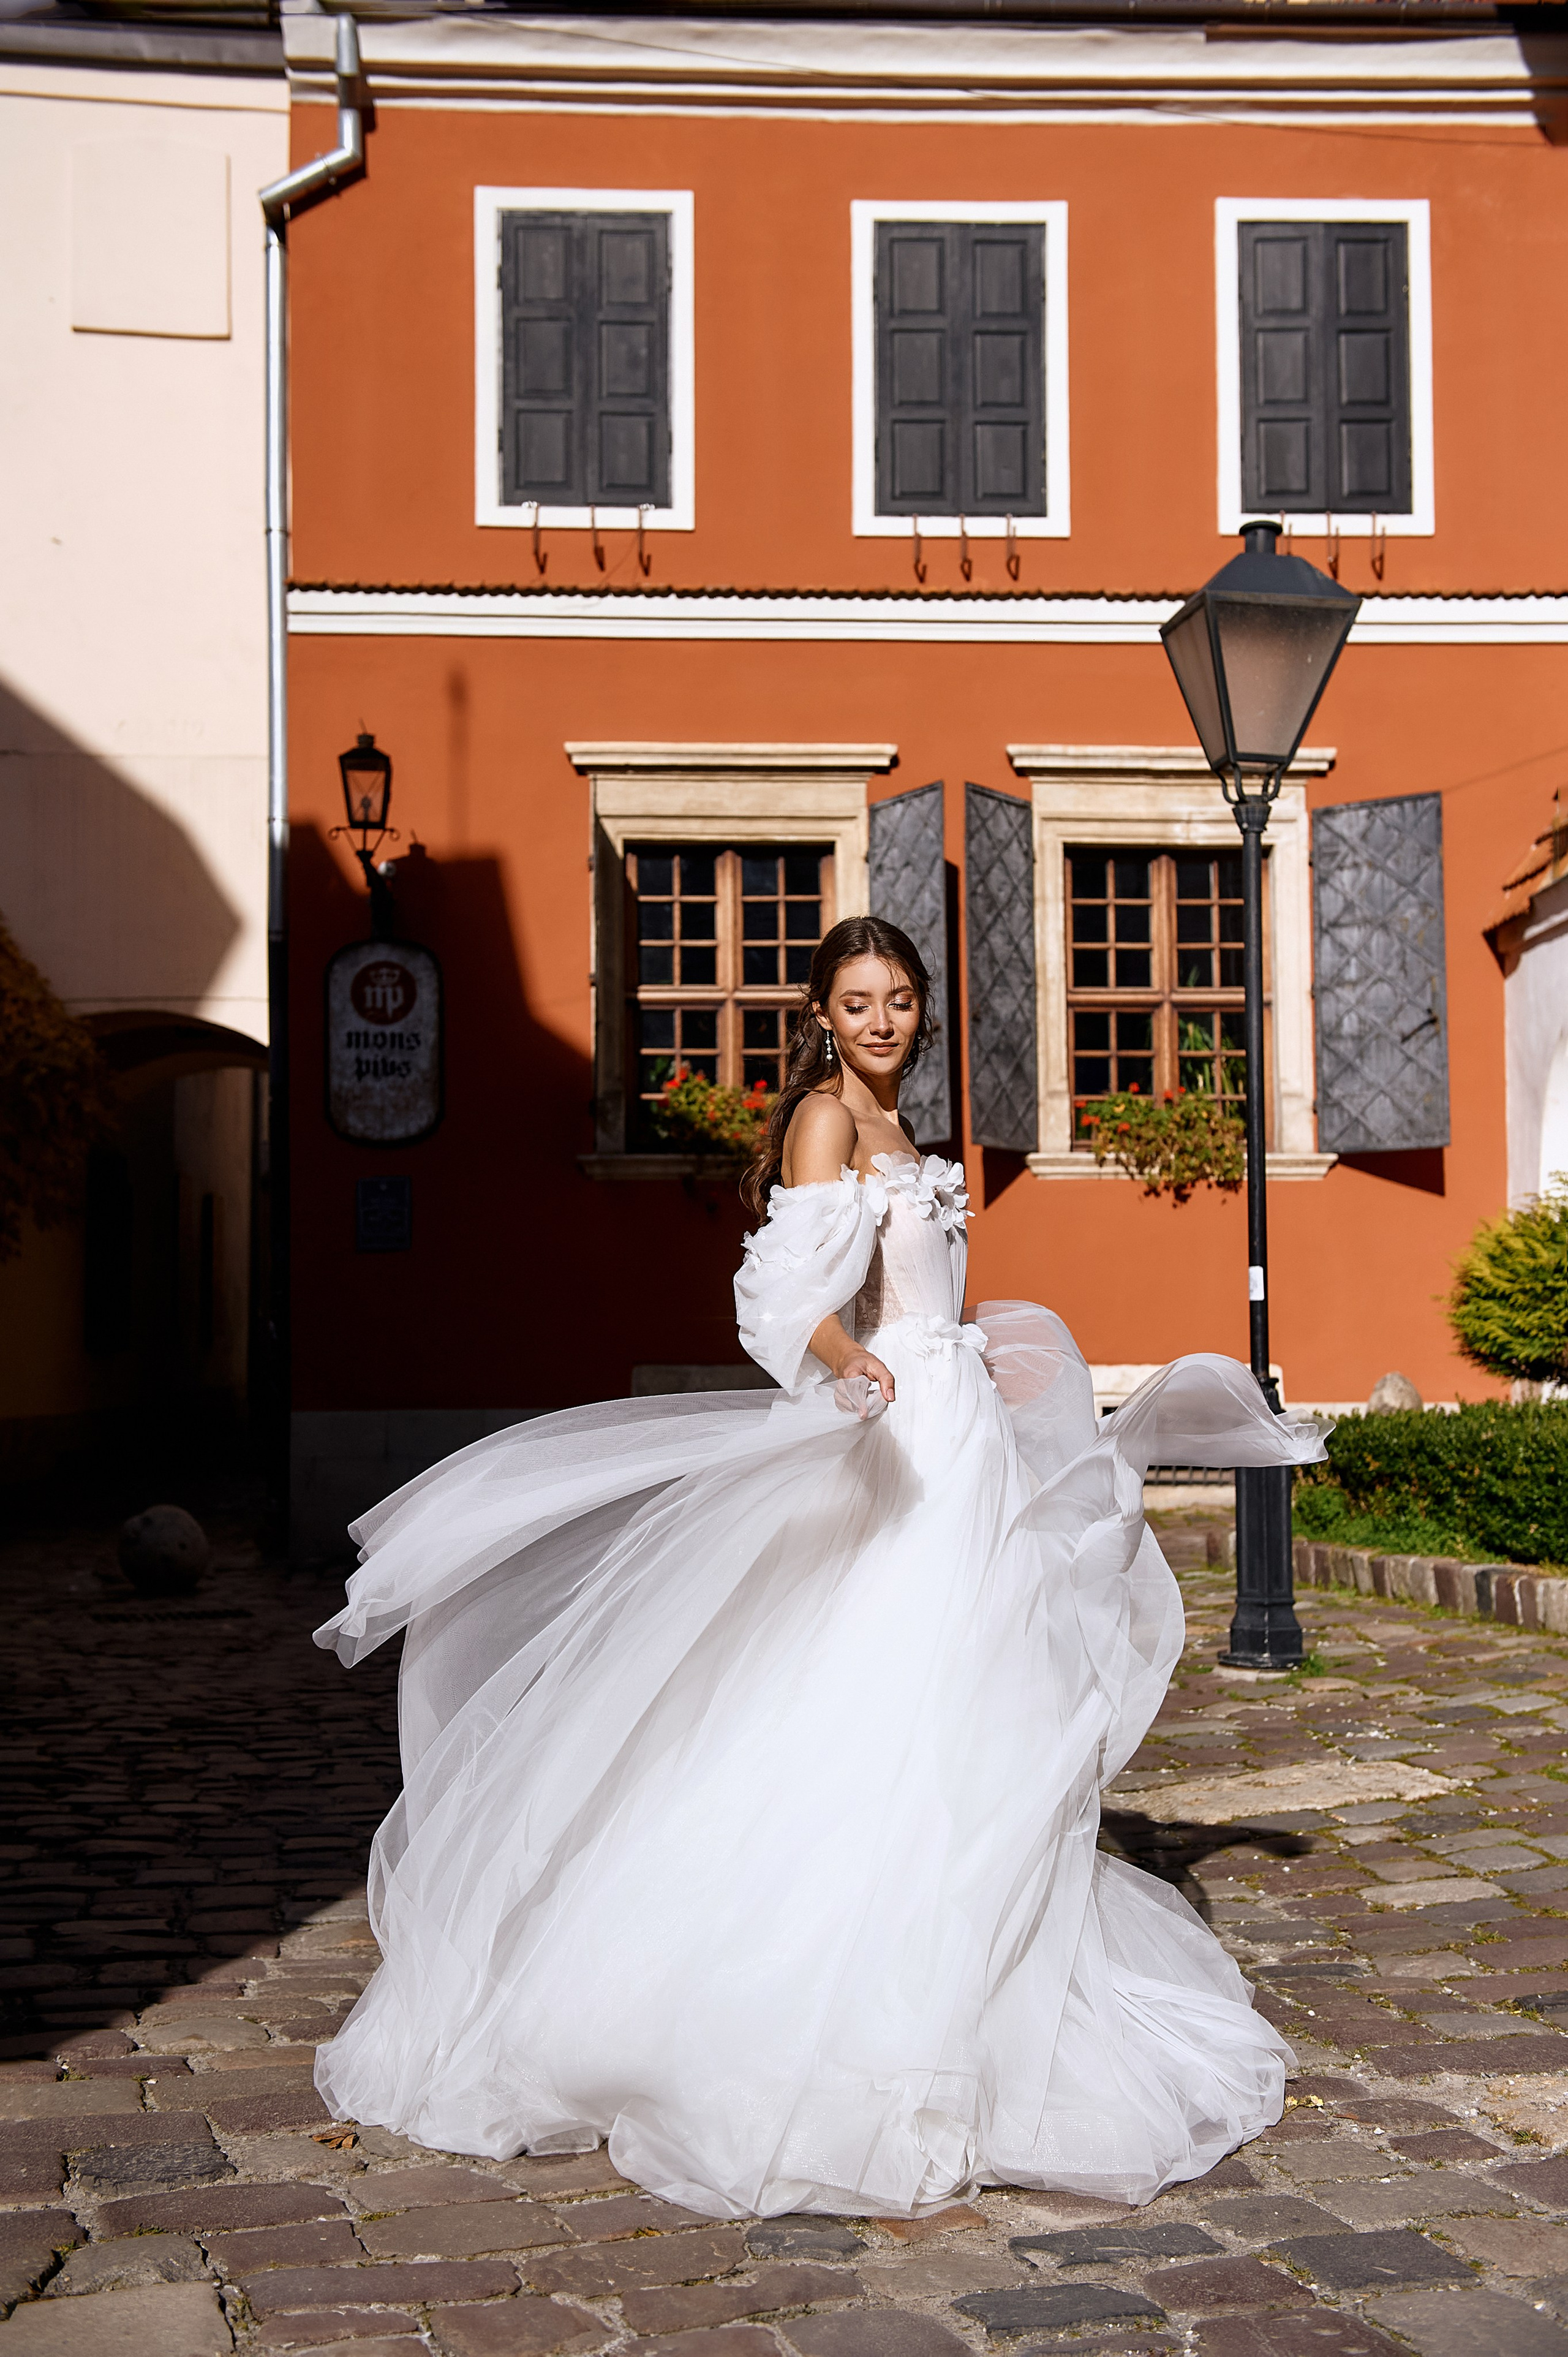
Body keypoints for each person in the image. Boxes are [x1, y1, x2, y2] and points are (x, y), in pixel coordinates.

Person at [312, 915, 1326, 2219]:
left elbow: (937, 1299)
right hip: (901, 1441)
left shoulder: (913, 1134)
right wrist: (850, 1361)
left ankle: (974, 1970)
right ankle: (830, 1988)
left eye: (899, 999)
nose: (882, 1021)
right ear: (821, 1013)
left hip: (964, 1441)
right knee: (882, 1688)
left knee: (979, 1695)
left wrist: (978, 1361)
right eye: (857, 1002)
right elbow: (774, 1302)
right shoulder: (824, 1125)